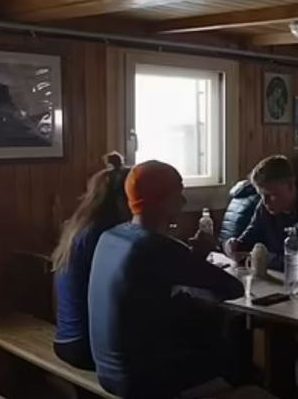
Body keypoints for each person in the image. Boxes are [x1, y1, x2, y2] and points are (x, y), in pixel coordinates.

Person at [89, 160, 245, 399]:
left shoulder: (111, 236)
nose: (183, 201)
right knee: (233, 349)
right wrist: (204, 252)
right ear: (160, 202)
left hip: (106, 370)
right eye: (178, 193)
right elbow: (232, 287)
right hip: (142, 379)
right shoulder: (154, 246)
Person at [51, 152, 130, 370]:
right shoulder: (107, 235)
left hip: (65, 338)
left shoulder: (79, 227)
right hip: (86, 347)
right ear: (123, 199)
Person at [223, 155, 298, 274]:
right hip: (277, 277)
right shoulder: (264, 206)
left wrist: (262, 258)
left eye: (272, 195)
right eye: (261, 195)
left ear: (290, 186)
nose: (265, 202)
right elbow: (247, 242)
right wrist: (232, 246)